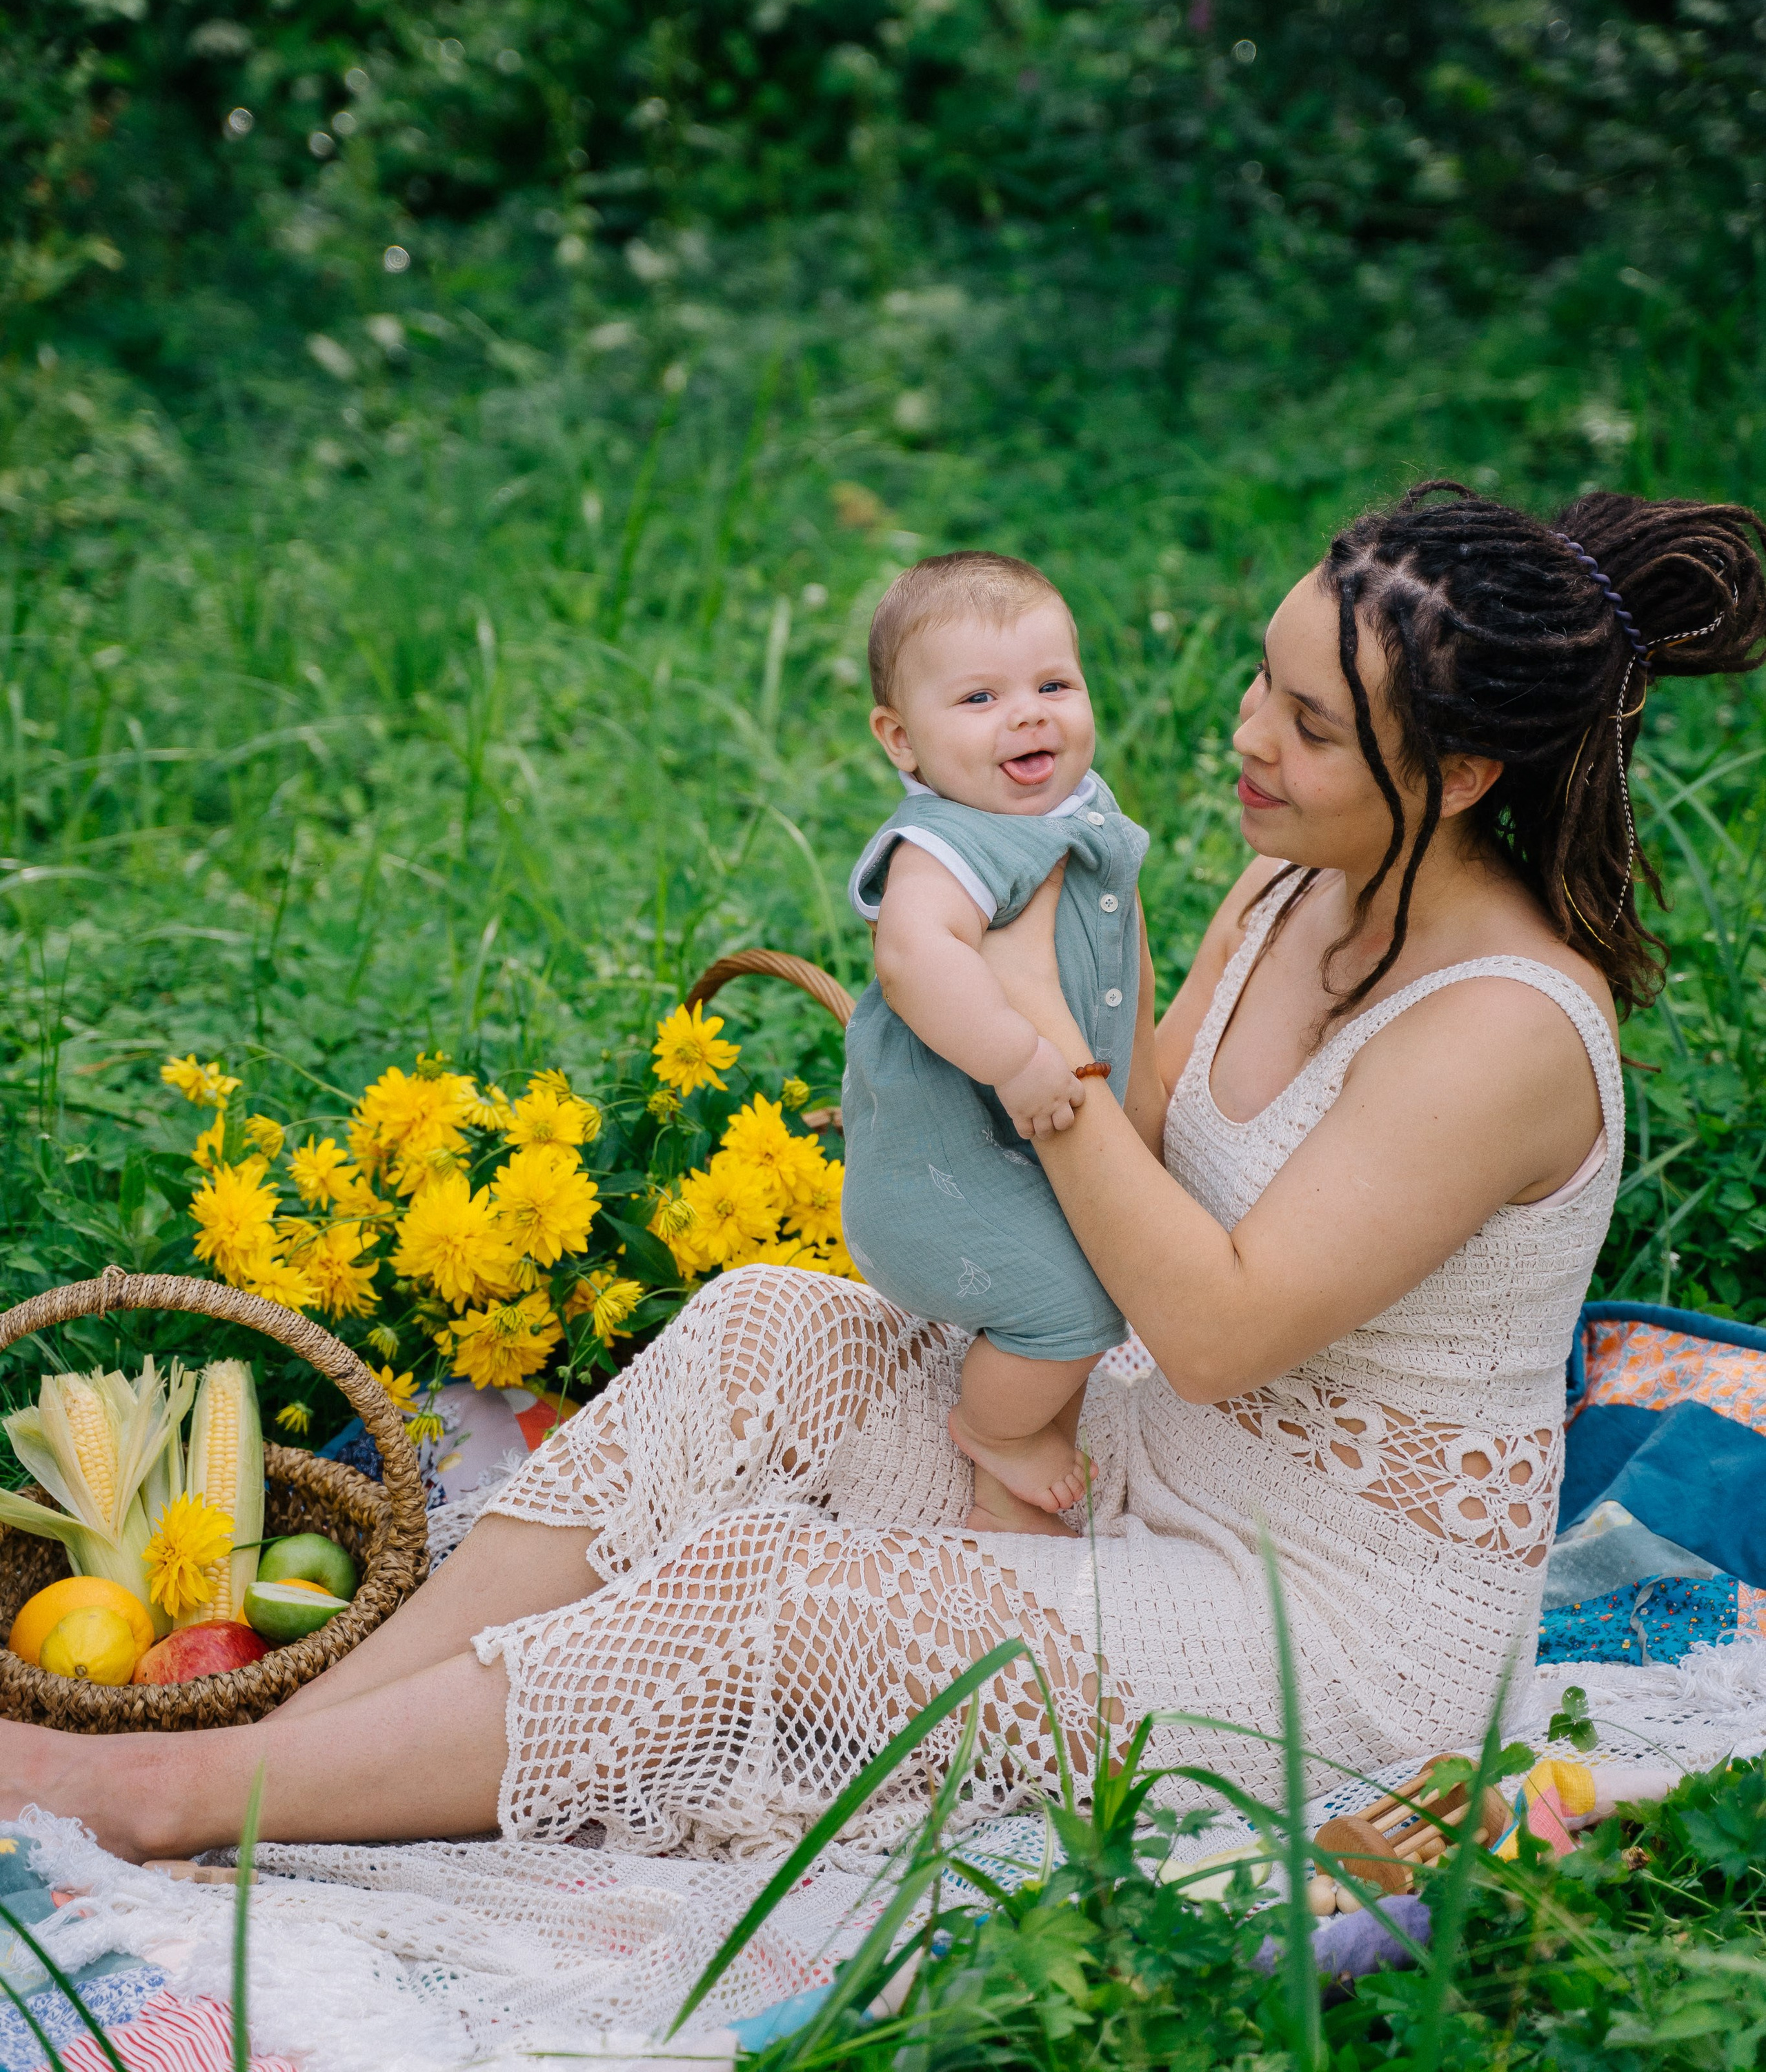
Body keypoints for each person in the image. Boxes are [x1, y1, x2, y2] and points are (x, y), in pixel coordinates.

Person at [5, 485, 1762, 1869]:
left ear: (1458, 776)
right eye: (1259, 679)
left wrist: (1035, 1056)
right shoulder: (1297, 875)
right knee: (765, 1328)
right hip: (1142, 1453)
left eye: (1304, 723)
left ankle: (174, 1804)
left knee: (777, 1596)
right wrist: (956, 1103)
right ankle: (283, 1741)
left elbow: (1216, 1326)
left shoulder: (1500, 1029)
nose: (1245, 735)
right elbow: (1153, 1143)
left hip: (1329, 1639)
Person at [841, 550, 1155, 1528]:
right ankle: (996, 1430)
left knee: (1093, 1272)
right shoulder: (947, 843)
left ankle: (1008, 1502)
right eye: (980, 698)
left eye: (1053, 686)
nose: (1028, 716)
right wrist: (1015, 1058)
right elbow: (912, 956)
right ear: (902, 739)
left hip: (1021, 1153)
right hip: (945, 1169)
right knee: (1078, 1309)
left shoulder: (1077, 810)